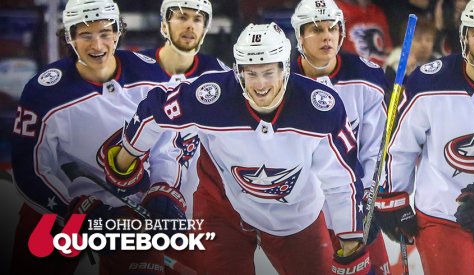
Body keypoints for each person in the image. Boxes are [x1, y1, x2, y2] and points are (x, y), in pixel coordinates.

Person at [104, 22, 372, 274]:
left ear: (285, 70)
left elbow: (341, 180)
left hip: (296, 214)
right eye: (250, 73)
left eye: (268, 72)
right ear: (238, 71)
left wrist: (350, 240)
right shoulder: (212, 96)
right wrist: (126, 158)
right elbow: (154, 112)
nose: (259, 85)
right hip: (223, 208)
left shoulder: (320, 108)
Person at [10, 0, 182, 274]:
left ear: (118, 32)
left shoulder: (155, 77)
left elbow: (169, 146)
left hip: (130, 207)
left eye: (105, 33)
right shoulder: (44, 92)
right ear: (70, 38)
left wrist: (164, 190)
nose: (97, 45)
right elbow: (30, 170)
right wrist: (74, 209)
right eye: (85, 35)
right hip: (59, 205)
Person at [374, 1, 474, 274]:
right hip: (441, 213)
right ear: (464, 37)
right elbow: (400, 145)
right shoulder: (429, 83)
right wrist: (392, 197)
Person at [290, 0, 391, 274]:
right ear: (299, 36)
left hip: (354, 199)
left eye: (333, 28)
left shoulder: (367, 77)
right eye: (316, 29)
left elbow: (376, 149)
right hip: (303, 210)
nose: (327, 36)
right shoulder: (279, 81)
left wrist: (369, 196)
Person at [140, 0, 229, 220]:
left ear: (205, 28)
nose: (190, 26)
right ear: (164, 25)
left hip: (201, 211)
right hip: (138, 205)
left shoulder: (221, 75)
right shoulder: (135, 72)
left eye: (197, 19)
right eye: (182, 17)